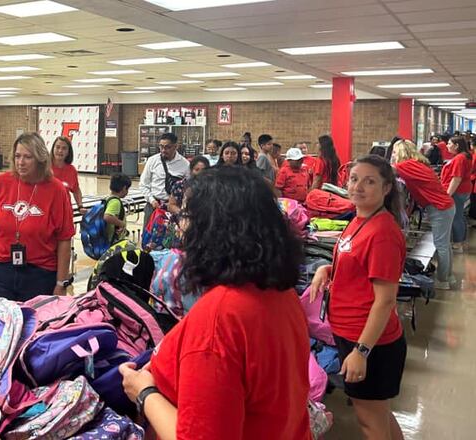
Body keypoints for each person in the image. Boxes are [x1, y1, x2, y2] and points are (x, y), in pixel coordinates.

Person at [120, 167, 310, 440]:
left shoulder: (220, 318)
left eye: (185, 215)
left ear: (211, 228)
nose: (179, 225)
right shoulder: (279, 293)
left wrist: (144, 393)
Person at [310, 155, 407, 440]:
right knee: (379, 414)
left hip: (370, 342)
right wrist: (326, 269)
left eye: (369, 181)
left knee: (370, 423)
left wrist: (361, 351)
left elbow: (386, 299)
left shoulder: (383, 233)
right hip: (352, 334)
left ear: (386, 188)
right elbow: (358, 265)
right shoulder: (361, 219)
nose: (358, 187)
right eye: (354, 179)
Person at [0, 132, 75, 301]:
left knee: (33, 325)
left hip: (39, 273)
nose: (21, 162)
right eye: (17, 156)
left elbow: (64, 238)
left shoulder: (56, 190)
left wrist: (61, 283)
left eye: (28, 157)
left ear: (40, 160)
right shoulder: (2, 183)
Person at [392, 140, 456, 289]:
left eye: (395, 152)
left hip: (439, 208)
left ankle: (443, 281)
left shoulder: (405, 165)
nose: (393, 155)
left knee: (441, 245)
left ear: (402, 152)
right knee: (445, 244)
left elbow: (385, 171)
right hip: (445, 206)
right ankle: (448, 277)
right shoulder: (418, 163)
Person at [139, 133, 190, 229]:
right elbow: (143, 184)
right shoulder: (152, 161)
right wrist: (152, 200)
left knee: (173, 240)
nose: (163, 150)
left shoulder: (185, 164)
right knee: (149, 238)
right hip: (154, 206)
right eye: (161, 147)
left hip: (174, 207)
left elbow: (189, 188)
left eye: (167, 147)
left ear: (176, 147)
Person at [441, 136, 472, 253]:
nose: (447, 146)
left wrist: (448, 194)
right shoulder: (465, 156)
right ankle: (461, 240)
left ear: (457, 145)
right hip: (463, 189)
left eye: (449, 143)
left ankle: (458, 244)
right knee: (460, 215)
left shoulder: (459, 158)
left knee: (456, 217)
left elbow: (457, 178)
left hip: (457, 191)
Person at [51, 136, 86, 214]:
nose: (60, 151)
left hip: (65, 212)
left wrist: (80, 206)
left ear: (68, 152)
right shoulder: (44, 168)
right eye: (57, 147)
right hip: (47, 213)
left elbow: (76, 190)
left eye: (64, 148)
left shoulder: (71, 170)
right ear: (53, 148)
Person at [103, 172, 132, 245]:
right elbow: (107, 216)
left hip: (109, 238)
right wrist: (121, 224)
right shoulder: (116, 202)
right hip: (113, 241)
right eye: (127, 189)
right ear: (124, 188)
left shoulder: (108, 198)